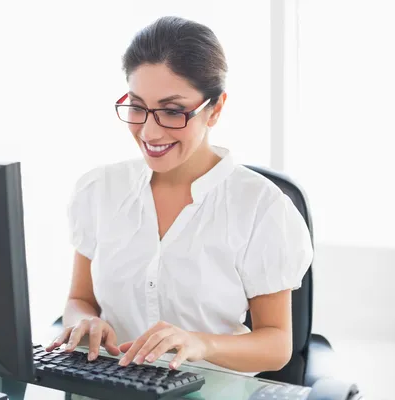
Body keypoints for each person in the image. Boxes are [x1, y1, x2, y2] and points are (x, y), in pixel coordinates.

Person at [46, 16, 313, 375]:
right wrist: (85, 322)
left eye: (172, 111)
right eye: (138, 106)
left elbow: (277, 345)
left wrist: (201, 343)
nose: (149, 131)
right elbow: (80, 300)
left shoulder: (261, 208)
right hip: (113, 384)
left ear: (215, 109)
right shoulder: (99, 190)